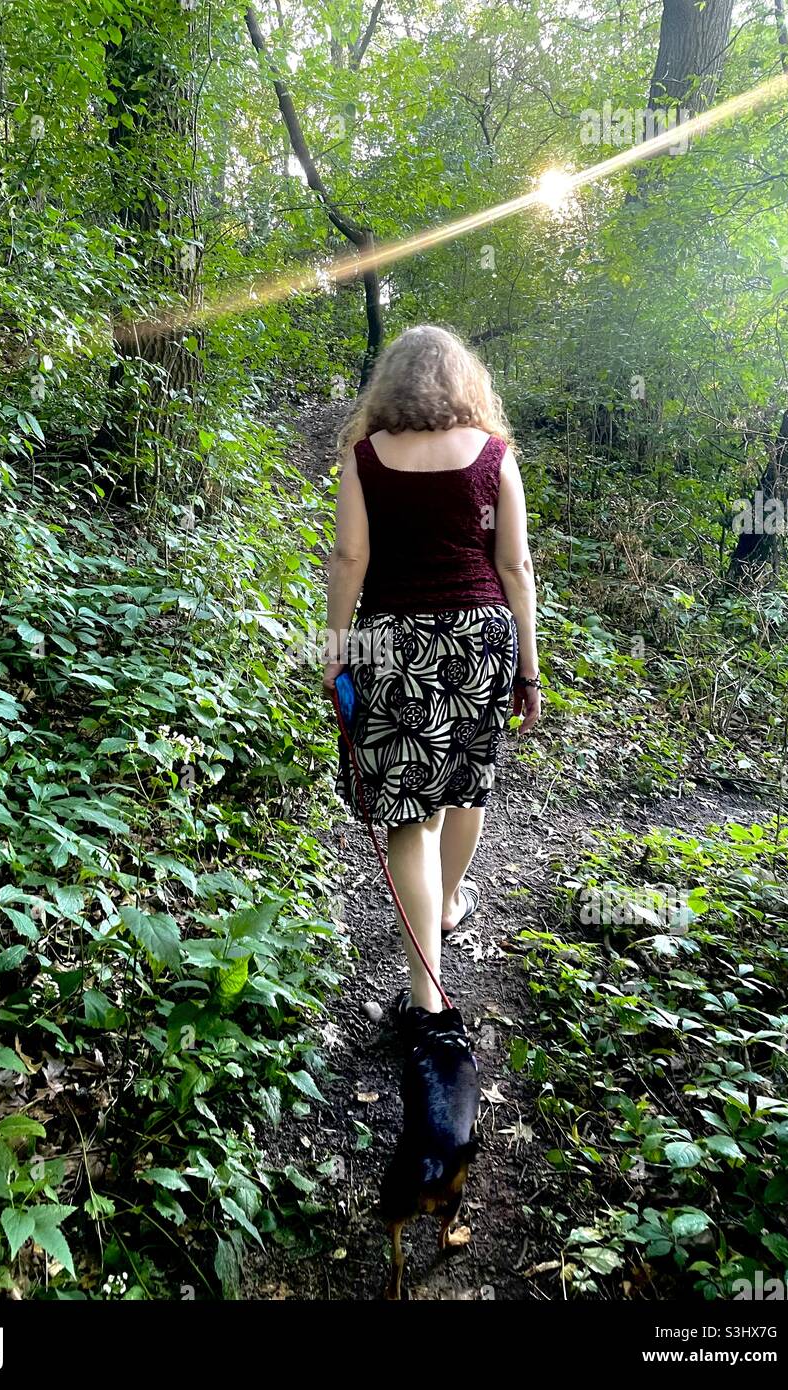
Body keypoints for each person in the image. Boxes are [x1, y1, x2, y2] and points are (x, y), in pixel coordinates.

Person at [322, 324, 542, 1026]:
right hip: (480, 635)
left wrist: (334, 647)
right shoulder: (494, 456)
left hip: (391, 641)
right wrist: (528, 669)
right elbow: (515, 567)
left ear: (391, 383)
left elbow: (348, 559)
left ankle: (425, 992)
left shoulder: (365, 458)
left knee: (406, 817)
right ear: (463, 381)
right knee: (464, 784)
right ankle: (447, 904)